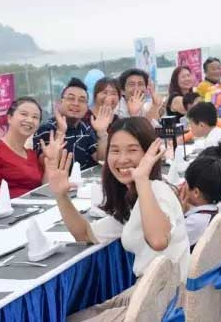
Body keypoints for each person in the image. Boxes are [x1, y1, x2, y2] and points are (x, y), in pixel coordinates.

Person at [46, 118, 189, 321]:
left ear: (150, 153)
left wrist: (141, 179)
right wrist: (61, 196)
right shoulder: (134, 198)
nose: (122, 159)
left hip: (165, 302)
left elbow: (158, 240)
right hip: (149, 292)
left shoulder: (157, 191)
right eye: (115, 151)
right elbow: (84, 234)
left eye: (132, 150)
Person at [34, 78, 112, 170]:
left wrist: (102, 133)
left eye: (81, 100)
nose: (76, 103)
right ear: (60, 103)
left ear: (87, 107)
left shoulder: (86, 129)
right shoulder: (45, 129)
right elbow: (44, 165)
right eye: (71, 98)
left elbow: (101, 160)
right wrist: (60, 131)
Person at [0, 97, 45, 205]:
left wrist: (51, 162)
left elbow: (43, 191)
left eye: (35, 117)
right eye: (24, 114)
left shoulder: (32, 155)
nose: (30, 120)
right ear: (9, 118)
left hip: (32, 210)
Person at [180, 153, 221, 248]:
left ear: (196, 192)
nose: (182, 186)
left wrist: (179, 213)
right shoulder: (215, 211)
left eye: (185, 183)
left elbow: (170, 244)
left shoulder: (194, 222)